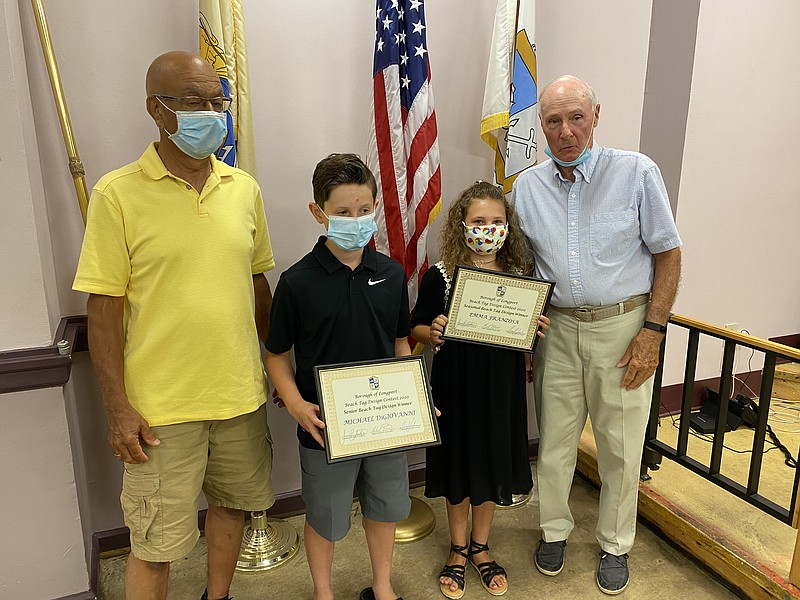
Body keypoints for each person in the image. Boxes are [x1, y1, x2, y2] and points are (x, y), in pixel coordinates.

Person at [72, 51, 276, 600]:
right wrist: (117, 407)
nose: (210, 113)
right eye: (193, 102)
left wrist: (279, 372)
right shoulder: (116, 194)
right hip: (160, 412)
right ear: (155, 110)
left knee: (233, 509)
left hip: (238, 398)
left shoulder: (244, 189)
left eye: (218, 102)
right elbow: (104, 308)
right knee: (155, 544)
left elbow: (258, 286)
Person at [513, 75, 682, 595]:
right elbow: (519, 268)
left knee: (621, 447)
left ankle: (614, 543)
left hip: (623, 328)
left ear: (596, 116)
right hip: (557, 331)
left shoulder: (636, 173)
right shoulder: (525, 187)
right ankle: (555, 530)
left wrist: (652, 332)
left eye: (576, 118)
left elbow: (668, 254)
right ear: (541, 126)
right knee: (555, 445)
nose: (565, 131)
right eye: (553, 121)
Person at [264, 153, 411, 600]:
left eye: (364, 209)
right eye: (343, 212)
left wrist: (414, 398)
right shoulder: (297, 282)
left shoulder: (390, 274)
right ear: (318, 213)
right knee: (325, 518)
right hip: (325, 427)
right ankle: (323, 592)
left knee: (384, 510)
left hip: (385, 421)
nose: (356, 219)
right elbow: (276, 354)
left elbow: (400, 343)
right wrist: (294, 403)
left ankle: (382, 587)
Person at [410, 181, 549, 599]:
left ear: (508, 227)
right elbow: (414, 324)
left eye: (497, 222)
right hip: (455, 385)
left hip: (501, 387)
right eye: (479, 222)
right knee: (459, 463)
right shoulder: (441, 275)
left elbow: (528, 333)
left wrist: (536, 330)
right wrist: (430, 331)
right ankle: (457, 548)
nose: (488, 229)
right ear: (462, 225)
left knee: (489, 462)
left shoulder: (521, 278)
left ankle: (480, 547)